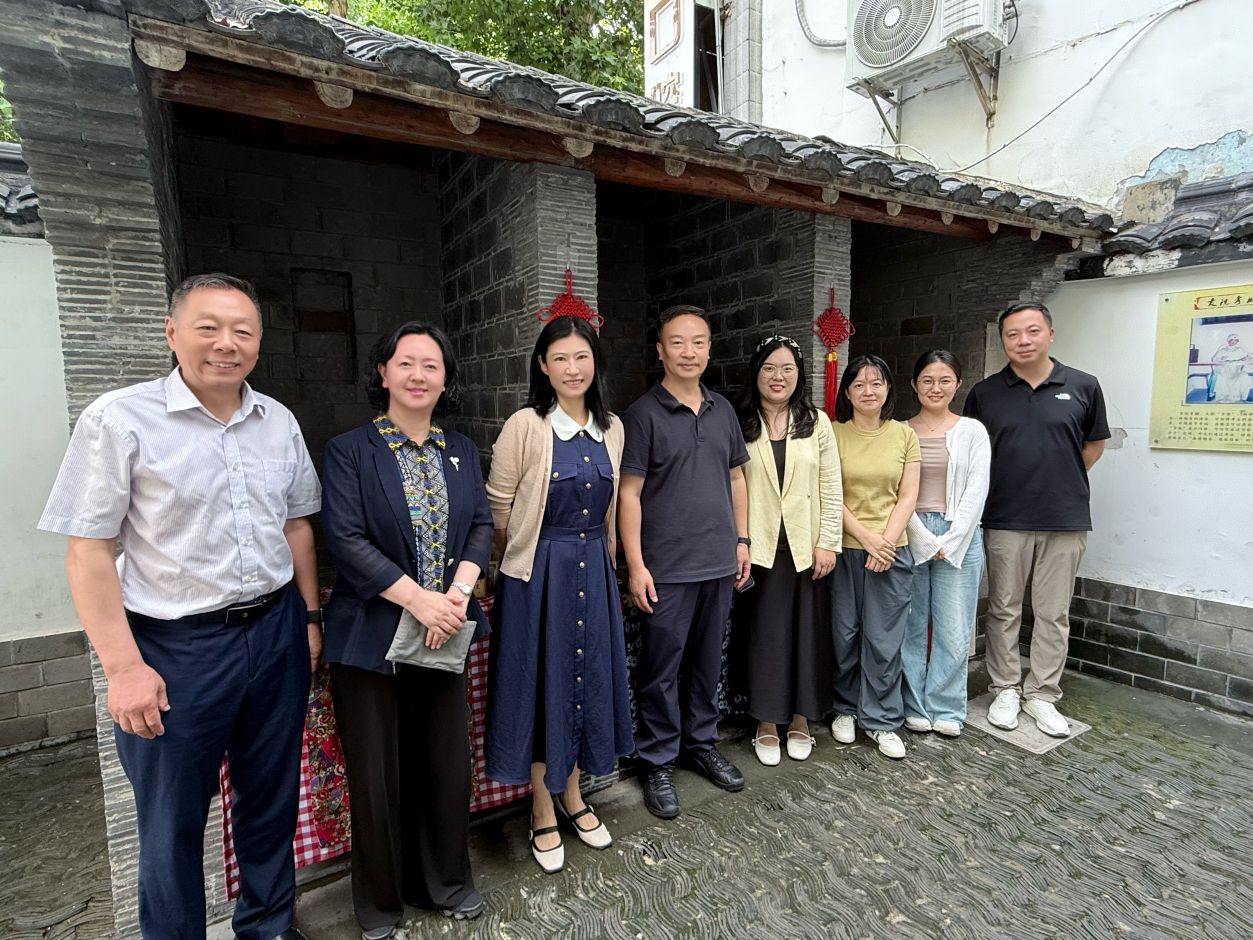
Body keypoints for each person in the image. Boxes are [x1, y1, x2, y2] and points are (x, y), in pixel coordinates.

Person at [37, 273, 321, 940]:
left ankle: (269, 926)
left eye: (242, 331)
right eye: (208, 328)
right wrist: (122, 668)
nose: (226, 343)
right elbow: (88, 551)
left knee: (270, 798)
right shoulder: (119, 419)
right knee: (171, 821)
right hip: (176, 647)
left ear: (258, 342)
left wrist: (308, 619)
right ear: (172, 333)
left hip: (275, 631)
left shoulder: (277, 421)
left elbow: (297, 526)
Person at [320, 323, 492, 939]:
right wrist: (420, 601)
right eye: (406, 363)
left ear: (446, 379)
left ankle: (444, 882)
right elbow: (344, 539)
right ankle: (381, 904)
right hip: (370, 637)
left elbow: (480, 525)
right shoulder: (350, 451)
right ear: (384, 372)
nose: (419, 375)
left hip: (444, 631)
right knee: (377, 776)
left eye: (431, 365)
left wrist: (457, 597)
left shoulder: (462, 450)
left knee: (444, 764)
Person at [484, 314, 634, 874]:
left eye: (582, 357)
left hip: (593, 571)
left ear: (596, 362)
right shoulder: (525, 425)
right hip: (537, 576)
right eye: (560, 358)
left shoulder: (612, 428)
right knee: (541, 684)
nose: (573, 369)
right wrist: (519, 560)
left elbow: (612, 507)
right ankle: (542, 806)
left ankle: (573, 795)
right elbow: (499, 510)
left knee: (583, 679)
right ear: (543, 367)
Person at [619, 304, 752, 819]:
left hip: (717, 562)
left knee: (706, 664)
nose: (688, 352)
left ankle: (701, 743)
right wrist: (636, 565)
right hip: (666, 569)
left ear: (709, 349)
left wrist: (741, 541)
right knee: (661, 668)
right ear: (660, 351)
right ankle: (657, 759)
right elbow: (629, 494)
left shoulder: (723, 411)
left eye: (698, 342)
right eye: (677, 342)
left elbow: (737, 478)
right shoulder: (642, 415)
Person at [964, 302, 1109, 738]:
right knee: (1003, 608)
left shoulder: (1083, 385)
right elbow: (972, 453)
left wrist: (1059, 478)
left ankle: (1043, 694)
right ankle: (1005, 688)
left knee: (1053, 612)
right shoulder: (985, 393)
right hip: (1004, 516)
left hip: (1065, 518)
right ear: (1002, 340)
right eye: (1012, 334)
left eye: (1032, 331)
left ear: (1050, 333)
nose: (1023, 341)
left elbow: (1093, 446)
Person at [733, 335, 841, 766]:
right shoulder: (740, 421)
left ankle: (800, 718)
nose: (778, 377)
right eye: (769, 368)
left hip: (806, 547)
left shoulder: (816, 422)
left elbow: (831, 485)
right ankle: (766, 720)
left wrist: (828, 541)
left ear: (799, 374)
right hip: (760, 548)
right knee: (767, 637)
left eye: (787, 369)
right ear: (756, 373)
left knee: (806, 635)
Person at [829, 354, 920, 760]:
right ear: (847, 393)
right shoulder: (832, 434)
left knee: (884, 640)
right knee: (844, 634)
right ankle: (845, 708)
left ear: (888, 389)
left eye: (876, 383)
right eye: (859, 384)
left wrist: (886, 541)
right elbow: (829, 493)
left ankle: (882, 719)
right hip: (846, 548)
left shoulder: (904, 435)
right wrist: (867, 538)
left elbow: (908, 495)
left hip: (891, 550)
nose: (868, 391)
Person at [902, 350, 990, 739]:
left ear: (957, 384)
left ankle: (947, 707)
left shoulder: (973, 431)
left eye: (944, 380)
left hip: (961, 535)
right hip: (909, 532)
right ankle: (914, 706)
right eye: (927, 380)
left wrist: (950, 540)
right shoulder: (901, 431)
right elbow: (895, 492)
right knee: (911, 625)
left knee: (954, 628)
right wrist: (923, 538)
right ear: (914, 385)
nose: (935, 388)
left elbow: (977, 489)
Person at [1212, 332, 1251, 403]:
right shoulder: (1223, 350)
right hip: (1225, 370)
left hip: (1237, 370)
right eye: (1232, 340)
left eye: (1235, 340)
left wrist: (1246, 358)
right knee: (1222, 378)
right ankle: (1224, 397)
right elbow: (1214, 359)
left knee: (1245, 377)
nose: (1233, 342)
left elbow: (1246, 356)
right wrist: (1222, 359)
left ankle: (1243, 397)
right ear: (1228, 341)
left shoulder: (1239, 349)